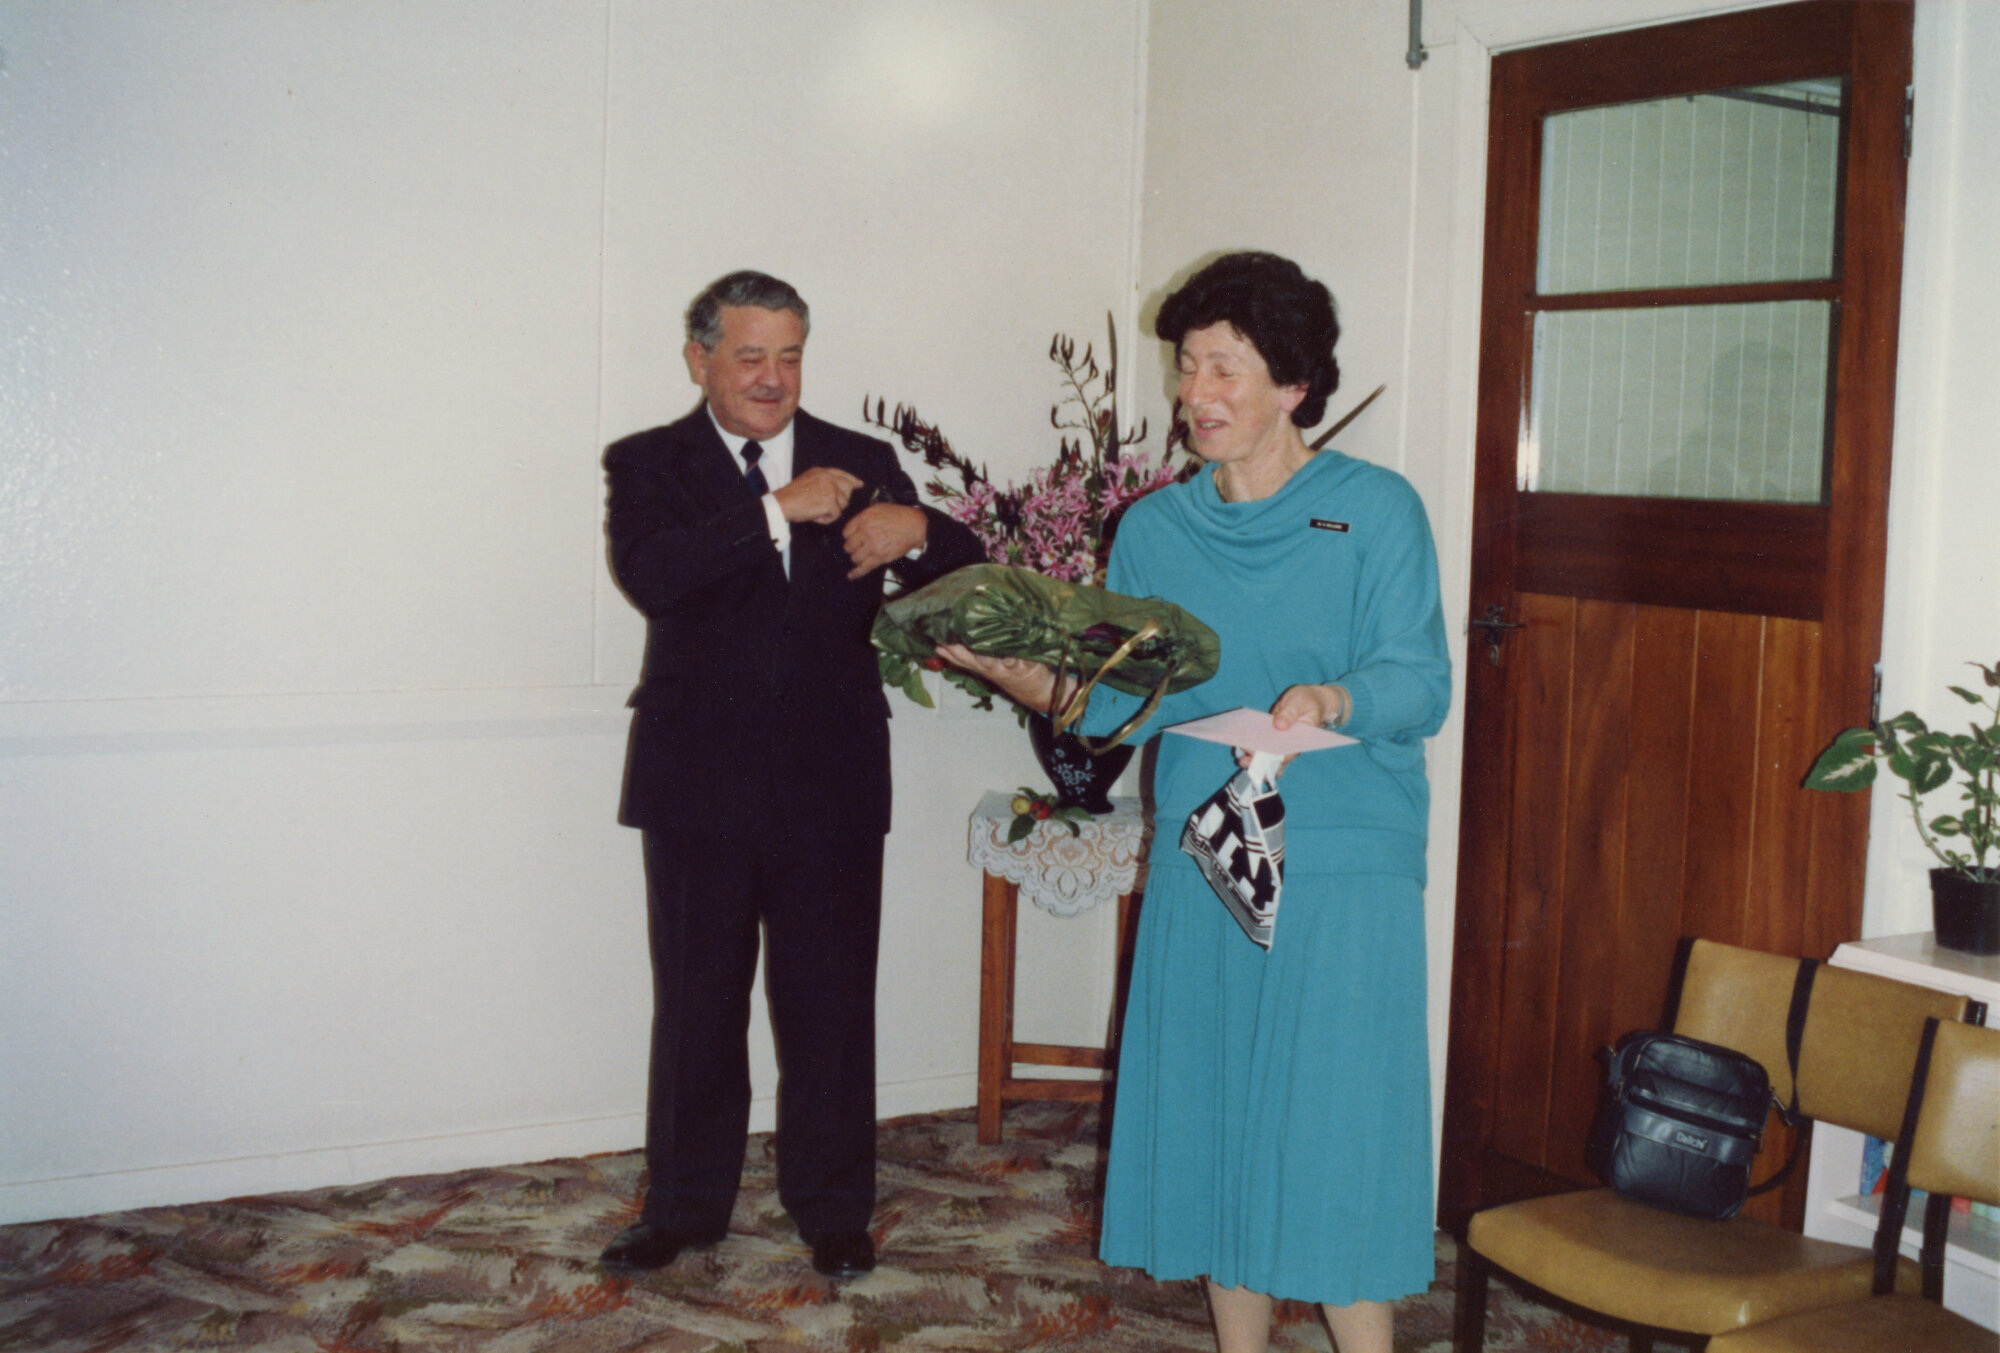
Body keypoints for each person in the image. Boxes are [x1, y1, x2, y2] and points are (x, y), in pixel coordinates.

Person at [940, 251, 1449, 1353]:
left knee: (1329, 1122)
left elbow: (1420, 683)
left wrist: (1335, 696)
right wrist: (1003, 667)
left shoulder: (1373, 510)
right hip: (1199, 846)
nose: (1194, 395)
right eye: (1185, 369)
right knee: (1217, 1108)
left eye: (1224, 368)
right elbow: (1113, 708)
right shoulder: (1155, 531)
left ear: (1293, 385)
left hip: (1341, 847)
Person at [600, 270, 982, 1280]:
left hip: (831, 781)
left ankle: (832, 1210)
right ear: (701, 361)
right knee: (697, 1006)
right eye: (749, 355)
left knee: (828, 1005)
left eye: (790, 353)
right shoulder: (648, 462)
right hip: (698, 784)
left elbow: (967, 581)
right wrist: (775, 509)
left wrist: (923, 531)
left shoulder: (862, 458)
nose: (773, 377)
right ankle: (681, 1211)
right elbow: (653, 574)